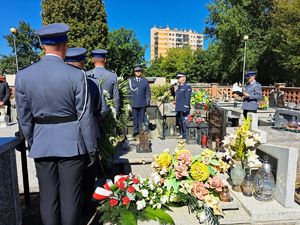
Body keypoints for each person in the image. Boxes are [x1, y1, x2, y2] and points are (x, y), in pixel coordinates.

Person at [15, 23, 98, 225]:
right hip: (71, 144)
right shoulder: (77, 75)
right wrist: (91, 149)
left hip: (42, 143)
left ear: (43, 46)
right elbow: (85, 116)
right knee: (70, 197)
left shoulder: (23, 76)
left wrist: (34, 142)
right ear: (65, 46)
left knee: (48, 197)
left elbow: (24, 117)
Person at [65, 47, 108, 217]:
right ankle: (88, 211)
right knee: (88, 176)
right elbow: (103, 110)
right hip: (89, 134)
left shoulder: (59, 80)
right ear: (83, 62)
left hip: (65, 139)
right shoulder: (91, 82)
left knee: (69, 183)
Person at [87, 49, 120, 116]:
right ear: (105, 60)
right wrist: (115, 113)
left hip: (90, 114)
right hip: (108, 114)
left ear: (93, 60)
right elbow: (116, 97)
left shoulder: (86, 75)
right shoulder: (113, 76)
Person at [129, 66, 151, 136]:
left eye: (139, 71)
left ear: (141, 72)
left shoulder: (145, 81)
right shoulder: (131, 81)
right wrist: (128, 103)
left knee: (141, 119)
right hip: (134, 103)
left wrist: (148, 101)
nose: (138, 72)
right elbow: (128, 92)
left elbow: (148, 92)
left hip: (142, 103)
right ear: (134, 72)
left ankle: (141, 131)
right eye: (136, 71)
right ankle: (135, 131)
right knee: (135, 118)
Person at [170, 72, 192, 139]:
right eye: (177, 78)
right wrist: (172, 90)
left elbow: (187, 98)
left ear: (184, 78)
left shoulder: (187, 86)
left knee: (184, 123)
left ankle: (185, 137)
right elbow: (176, 96)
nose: (178, 79)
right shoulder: (179, 87)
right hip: (178, 108)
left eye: (179, 78)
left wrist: (185, 107)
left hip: (184, 108)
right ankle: (182, 135)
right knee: (180, 122)